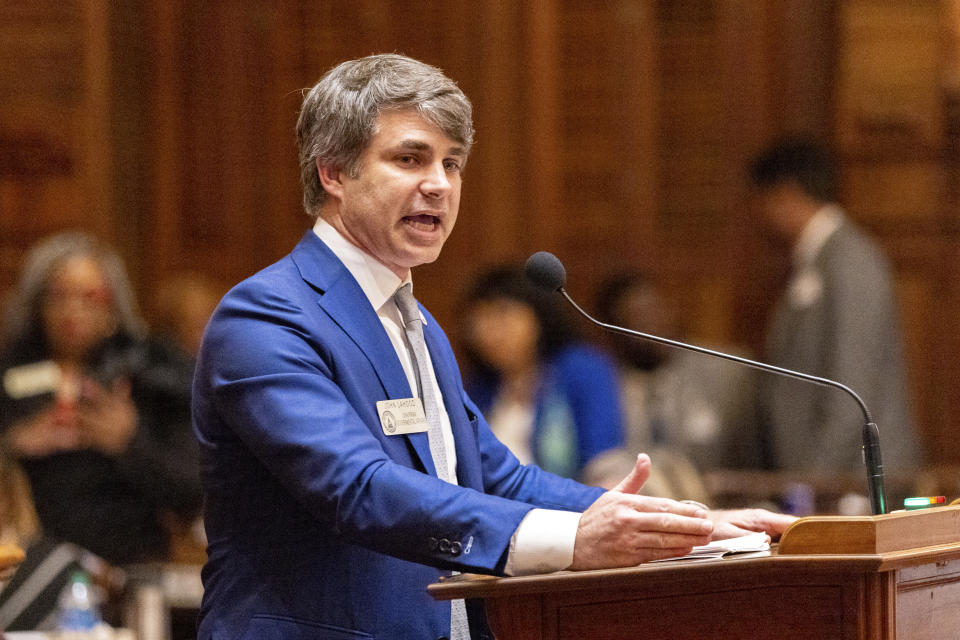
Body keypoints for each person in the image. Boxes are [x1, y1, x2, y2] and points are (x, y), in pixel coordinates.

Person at [192, 54, 795, 640]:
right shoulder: (269, 316)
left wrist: (684, 526)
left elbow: (495, 479)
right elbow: (358, 490)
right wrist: (573, 541)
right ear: (333, 173)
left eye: (452, 164)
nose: (438, 184)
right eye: (409, 158)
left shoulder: (416, 324)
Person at [0, 231, 202, 566]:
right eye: (59, 296)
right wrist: (11, 446)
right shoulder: (10, 372)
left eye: (90, 296)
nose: (72, 310)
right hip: (27, 568)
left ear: (113, 307)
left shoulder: (151, 375)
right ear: (37, 306)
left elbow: (194, 488)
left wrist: (130, 440)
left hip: (127, 562)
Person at [749, 138, 921, 474]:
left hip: (852, 480)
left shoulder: (849, 261)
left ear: (786, 194)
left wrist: (814, 483)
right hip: (827, 477)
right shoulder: (820, 260)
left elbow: (852, 386)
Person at [582, 273, 761, 499]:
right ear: (614, 330)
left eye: (655, 311)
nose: (652, 327)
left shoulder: (725, 374)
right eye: (636, 318)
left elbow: (755, 458)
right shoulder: (602, 385)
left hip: (719, 503)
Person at [461, 266, 624, 480]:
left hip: (572, 505)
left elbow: (605, 462)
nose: (489, 330)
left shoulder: (581, 370)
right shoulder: (479, 387)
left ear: (538, 314)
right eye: (479, 318)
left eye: (502, 313)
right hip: (495, 510)